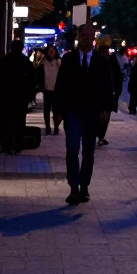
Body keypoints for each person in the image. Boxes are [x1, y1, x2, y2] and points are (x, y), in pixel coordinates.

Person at [55, 24, 117, 205]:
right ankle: (74, 187)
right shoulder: (69, 59)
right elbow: (61, 85)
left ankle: (84, 186)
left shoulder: (101, 61)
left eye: (90, 36)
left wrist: (106, 109)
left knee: (88, 152)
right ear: (78, 37)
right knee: (72, 148)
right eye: (83, 35)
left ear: (93, 39)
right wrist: (58, 110)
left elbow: (108, 87)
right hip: (73, 111)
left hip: (92, 113)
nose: (86, 38)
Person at [0, 39, 36, 155]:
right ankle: (17, 144)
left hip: (6, 97)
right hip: (20, 97)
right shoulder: (26, 62)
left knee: (6, 121)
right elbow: (32, 80)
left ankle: (6, 144)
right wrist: (30, 95)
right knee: (19, 121)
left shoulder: (4, 61)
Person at [95, 42, 122, 147]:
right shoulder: (96, 61)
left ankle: (101, 137)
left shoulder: (112, 61)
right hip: (98, 94)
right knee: (98, 116)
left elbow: (118, 76)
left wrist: (117, 91)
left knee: (105, 117)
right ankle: (99, 135)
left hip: (110, 93)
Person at [37, 44, 62, 136]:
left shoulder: (58, 62)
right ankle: (48, 127)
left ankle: (56, 127)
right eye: (50, 51)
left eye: (53, 51)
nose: (51, 53)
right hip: (47, 90)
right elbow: (39, 75)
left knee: (56, 110)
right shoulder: (43, 62)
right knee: (46, 110)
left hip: (57, 90)